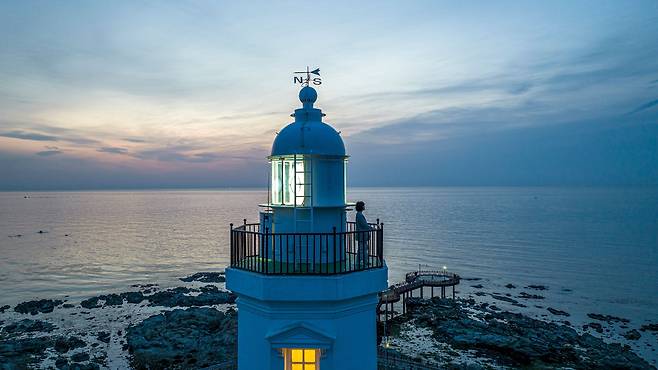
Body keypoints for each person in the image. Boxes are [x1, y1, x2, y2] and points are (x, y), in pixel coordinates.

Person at [355, 201, 372, 269]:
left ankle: (359, 261)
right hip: (362, 236)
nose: (364, 206)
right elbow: (364, 226)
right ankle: (364, 262)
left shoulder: (358, 214)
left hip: (361, 235)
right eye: (363, 205)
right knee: (363, 249)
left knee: (361, 249)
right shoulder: (360, 215)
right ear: (361, 207)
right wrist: (372, 228)